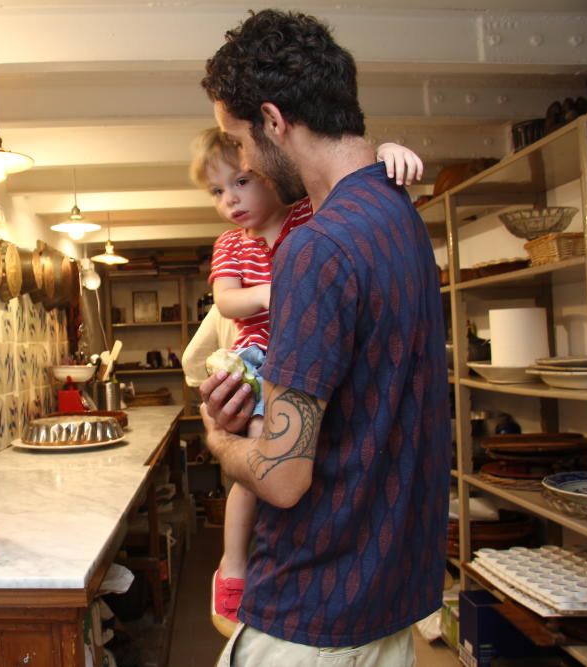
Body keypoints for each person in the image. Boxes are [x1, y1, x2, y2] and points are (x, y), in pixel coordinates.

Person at [198, 9, 450, 666]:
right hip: (385, 605)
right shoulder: (400, 220)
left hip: (311, 621)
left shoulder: (315, 248)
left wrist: (220, 437)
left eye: (241, 140)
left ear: (275, 121)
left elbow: (280, 477)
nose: (244, 159)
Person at [188, 128, 423, 638]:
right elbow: (227, 302)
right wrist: (277, 291)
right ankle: (233, 567)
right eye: (217, 191)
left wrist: (386, 156)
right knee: (258, 456)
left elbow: (350, 187)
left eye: (242, 181)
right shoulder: (230, 245)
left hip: (309, 351)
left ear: (270, 173)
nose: (230, 199)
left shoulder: (305, 215)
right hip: (257, 355)